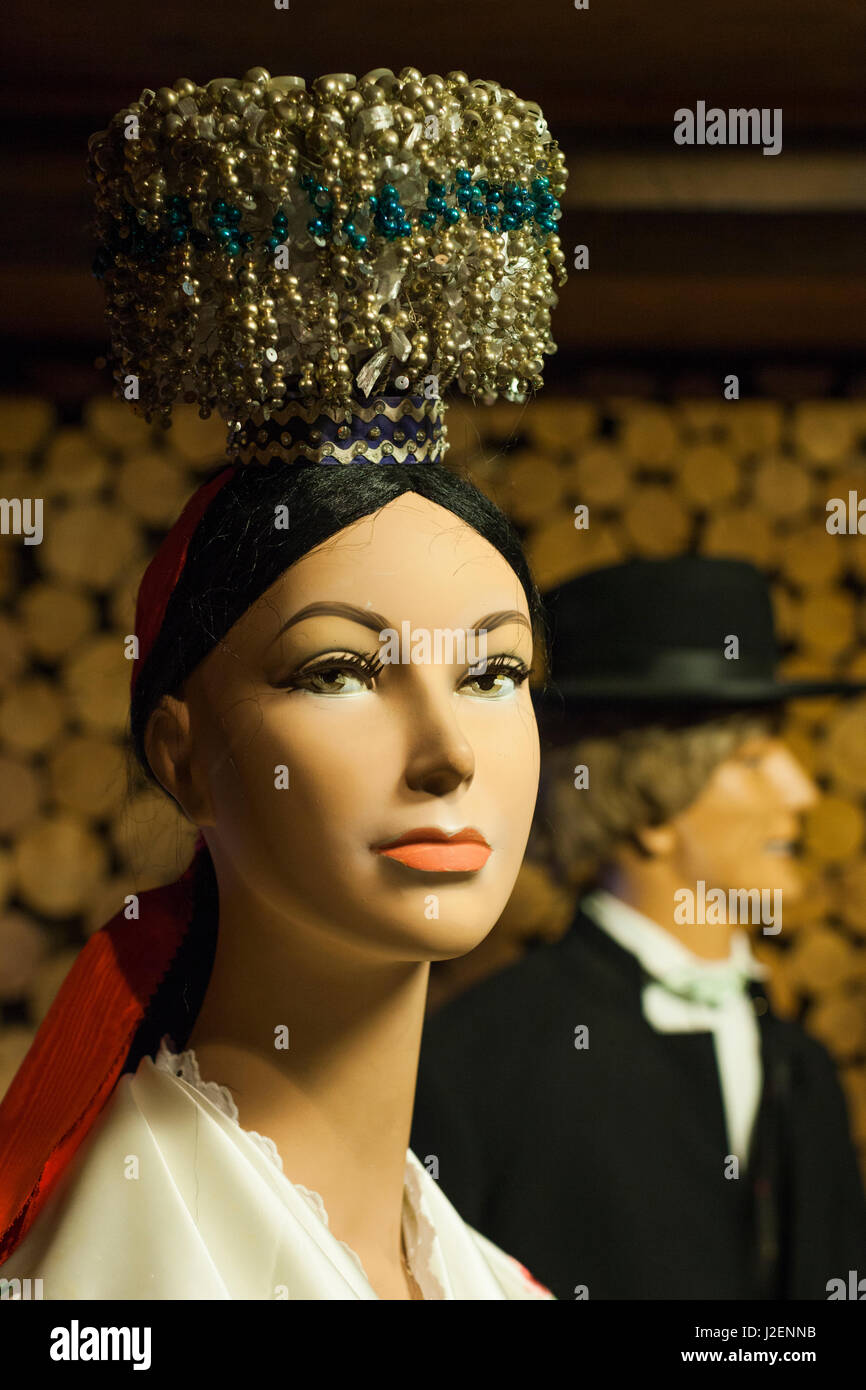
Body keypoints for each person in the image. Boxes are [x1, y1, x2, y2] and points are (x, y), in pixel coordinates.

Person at [0, 65, 568, 1301]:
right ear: (183, 753)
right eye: (338, 669)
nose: (446, 752)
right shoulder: (117, 1267)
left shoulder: (482, 1275)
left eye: (493, 670)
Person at [410, 554, 866, 1300]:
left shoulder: (803, 1066)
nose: (802, 791)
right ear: (653, 812)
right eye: (753, 760)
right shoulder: (477, 1064)